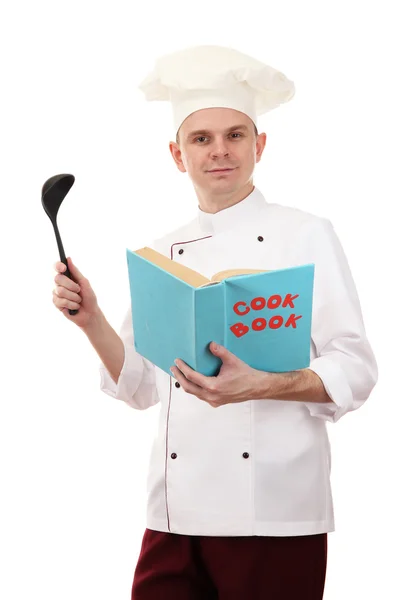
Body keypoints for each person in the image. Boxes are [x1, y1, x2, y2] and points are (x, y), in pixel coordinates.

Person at [52, 45, 378, 600]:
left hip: (273, 514)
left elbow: (355, 367)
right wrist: (92, 319)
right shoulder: (162, 253)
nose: (220, 151)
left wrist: (264, 385)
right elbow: (137, 386)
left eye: (235, 134)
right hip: (174, 514)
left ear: (260, 145)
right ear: (178, 155)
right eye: (202, 139)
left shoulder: (305, 234)